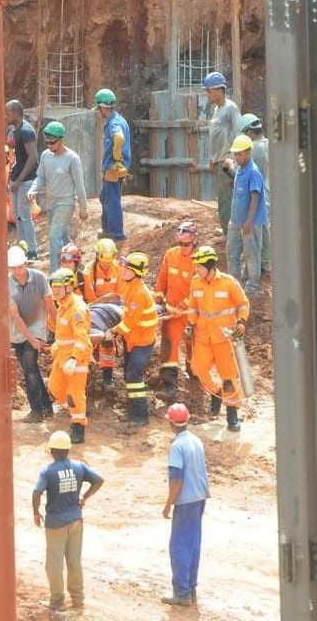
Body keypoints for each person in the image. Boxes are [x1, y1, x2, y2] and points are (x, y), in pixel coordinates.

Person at [33, 429, 104, 613]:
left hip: (56, 523)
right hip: (76, 521)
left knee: (54, 564)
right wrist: (84, 497)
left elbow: (36, 492)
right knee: (74, 562)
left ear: (51, 450)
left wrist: (36, 512)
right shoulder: (79, 466)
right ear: (68, 449)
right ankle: (78, 600)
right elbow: (99, 480)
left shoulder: (48, 471)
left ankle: (56, 601)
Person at [184, 245, 249, 432]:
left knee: (228, 377)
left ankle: (232, 415)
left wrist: (242, 322)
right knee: (198, 369)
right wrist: (190, 323)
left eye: (199, 266)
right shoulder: (195, 282)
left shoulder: (229, 283)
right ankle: (216, 391)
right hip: (203, 335)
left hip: (224, 337)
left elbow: (243, 304)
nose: (196, 270)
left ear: (210, 266)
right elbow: (193, 307)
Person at [162, 403, 208, 607]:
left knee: (179, 546)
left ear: (170, 423)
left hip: (186, 501)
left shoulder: (177, 446)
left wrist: (168, 504)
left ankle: (182, 593)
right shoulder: (196, 440)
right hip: (199, 499)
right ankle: (191, 589)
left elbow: (177, 480)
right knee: (193, 543)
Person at [28, 121, 88, 272]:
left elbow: (80, 186)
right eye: (47, 142)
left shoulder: (72, 159)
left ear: (61, 140)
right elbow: (40, 177)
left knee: (54, 237)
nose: (49, 145)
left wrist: (83, 208)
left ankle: (55, 275)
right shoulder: (46, 156)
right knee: (63, 237)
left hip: (66, 202)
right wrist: (33, 189)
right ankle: (76, 263)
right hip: (51, 203)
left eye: (52, 142)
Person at [109, 252, 158, 427]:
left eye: (127, 269)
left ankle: (141, 414)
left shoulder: (138, 292)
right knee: (130, 375)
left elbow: (130, 322)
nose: (123, 270)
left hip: (142, 342)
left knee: (134, 375)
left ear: (136, 273)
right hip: (133, 340)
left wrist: (112, 332)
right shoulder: (130, 286)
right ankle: (132, 411)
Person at [8, 245, 54, 423]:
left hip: (37, 326)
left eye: (20, 267)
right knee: (30, 368)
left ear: (25, 263)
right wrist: (32, 341)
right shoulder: (6, 285)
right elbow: (16, 317)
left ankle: (36, 410)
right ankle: (46, 407)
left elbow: (50, 306)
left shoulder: (40, 278)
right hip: (18, 332)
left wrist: (57, 331)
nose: (18, 272)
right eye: (14, 268)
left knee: (29, 365)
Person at [49, 267, 93, 445]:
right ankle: (74, 411)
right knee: (55, 388)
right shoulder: (62, 305)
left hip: (76, 359)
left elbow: (81, 338)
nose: (56, 291)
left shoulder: (77, 309)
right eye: (54, 287)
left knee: (75, 394)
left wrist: (74, 359)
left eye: (59, 287)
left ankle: (78, 427)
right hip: (62, 357)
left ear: (69, 287)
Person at [155, 222, 198, 402]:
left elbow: (199, 288)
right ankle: (170, 385)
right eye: (180, 243)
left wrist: (185, 306)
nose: (183, 248)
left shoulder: (199, 260)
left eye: (186, 244)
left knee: (194, 346)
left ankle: (195, 373)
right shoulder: (171, 255)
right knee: (169, 347)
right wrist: (159, 300)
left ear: (194, 239)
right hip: (171, 312)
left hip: (191, 313)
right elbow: (162, 280)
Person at [201, 72, 241, 235]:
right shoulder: (217, 109)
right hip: (218, 160)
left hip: (227, 162)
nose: (207, 94)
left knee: (226, 200)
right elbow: (216, 136)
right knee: (223, 199)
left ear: (218, 90)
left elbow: (239, 133)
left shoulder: (230, 108)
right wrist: (212, 158)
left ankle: (230, 235)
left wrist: (231, 158)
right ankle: (228, 231)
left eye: (209, 91)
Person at [227, 135, 267, 295]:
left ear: (248, 152)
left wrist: (249, 222)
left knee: (251, 255)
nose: (237, 157)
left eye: (240, 154)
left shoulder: (253, 172)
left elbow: (255, 198)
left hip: (250, 222)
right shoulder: (240, 169)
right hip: (236, 221)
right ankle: (234, 285)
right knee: (232, 253)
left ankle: (252, 287)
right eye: (235, 154)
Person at [84, 238, 123, 392]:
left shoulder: (119, 269)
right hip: (95, 310)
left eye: (109, 261)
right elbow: (89, 298)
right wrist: (104, 300)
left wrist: (108, 301)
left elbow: (119, 295)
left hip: (114, 310)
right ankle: (89, 376)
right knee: (91, 340)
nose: (106, 264)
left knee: (108, 342)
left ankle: (108, 377)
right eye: (103, 261)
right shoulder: (89, 272)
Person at [94, 88, 130, 242]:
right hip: (115, 167)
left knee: (112, 199)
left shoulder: (114, 123)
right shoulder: (118, 120)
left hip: (114, 167)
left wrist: (116, 156)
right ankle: (108, 229)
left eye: (98, 109)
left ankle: (115, 233)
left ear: (102, 107)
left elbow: (119, 138)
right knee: (105, 197)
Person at [5, 99, 40, 259]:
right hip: (14, 178)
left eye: (8, 113)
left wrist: (19, 180)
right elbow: (12, 155)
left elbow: (33, 157)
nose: (6, 116)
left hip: (25, 181)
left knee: (25, 216)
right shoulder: (12, 130)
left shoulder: (26, 131)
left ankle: (32, 250)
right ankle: (23, 247)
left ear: (16, 113)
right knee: (17, 215)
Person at [238, 114, 271, 271]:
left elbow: (247, 175)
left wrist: (231, 168)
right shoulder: (268, 144)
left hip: (258, 196)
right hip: (269, 194)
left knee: (257, 233)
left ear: (249, 133)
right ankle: (265, 262)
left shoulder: (255, 149)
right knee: (265, 229)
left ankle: (259, 266)